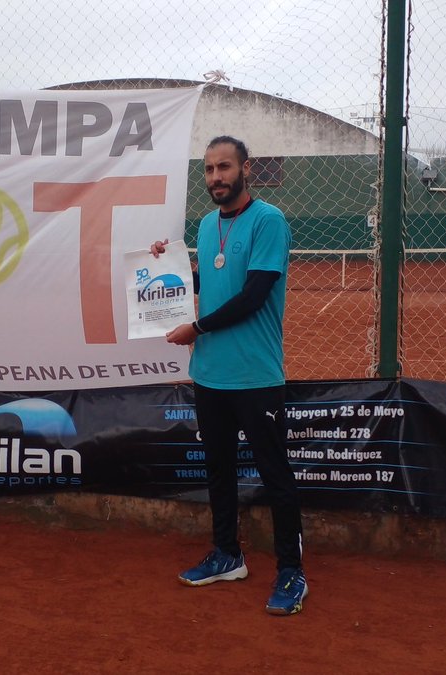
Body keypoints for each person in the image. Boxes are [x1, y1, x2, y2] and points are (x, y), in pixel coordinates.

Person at [151, 136, 306, 615]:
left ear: (245, 169)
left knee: (275, 476)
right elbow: (209, 282)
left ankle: (290, 573)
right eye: (209, 170)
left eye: (224, 167)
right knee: (218, 472)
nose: (216, 177)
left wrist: (195, 327)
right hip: (209, 373)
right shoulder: (205, 224)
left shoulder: (269, 221)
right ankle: (228, 555)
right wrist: (164, 266)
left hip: (256, 376)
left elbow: (253, 296)